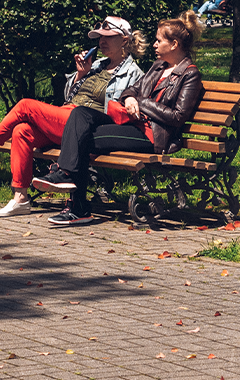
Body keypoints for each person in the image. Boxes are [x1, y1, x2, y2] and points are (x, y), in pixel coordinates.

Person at [0, 17, 145, 217]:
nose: (101, 41)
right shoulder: (97, 64)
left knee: (25, 105)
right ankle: (20, 198)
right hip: (67, 117)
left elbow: (118, 114)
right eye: (99, 37)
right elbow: (69, 97)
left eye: (107, 37)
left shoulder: (134, 74)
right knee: (22, 131)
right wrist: (82, 74)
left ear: (125, 40)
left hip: (87, 125)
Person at [34, 12, 205, 227]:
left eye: (159, 40)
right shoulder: (158, 66)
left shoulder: (190, 74)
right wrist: (131, 96)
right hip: (133, 124)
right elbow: (133, 89)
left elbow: (178, 117)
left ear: (174, 44)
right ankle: (66, 178)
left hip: (153, 135)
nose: (154, 44)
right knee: (80, 114)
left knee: (82, 139)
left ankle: (75, 203)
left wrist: (141, 103)